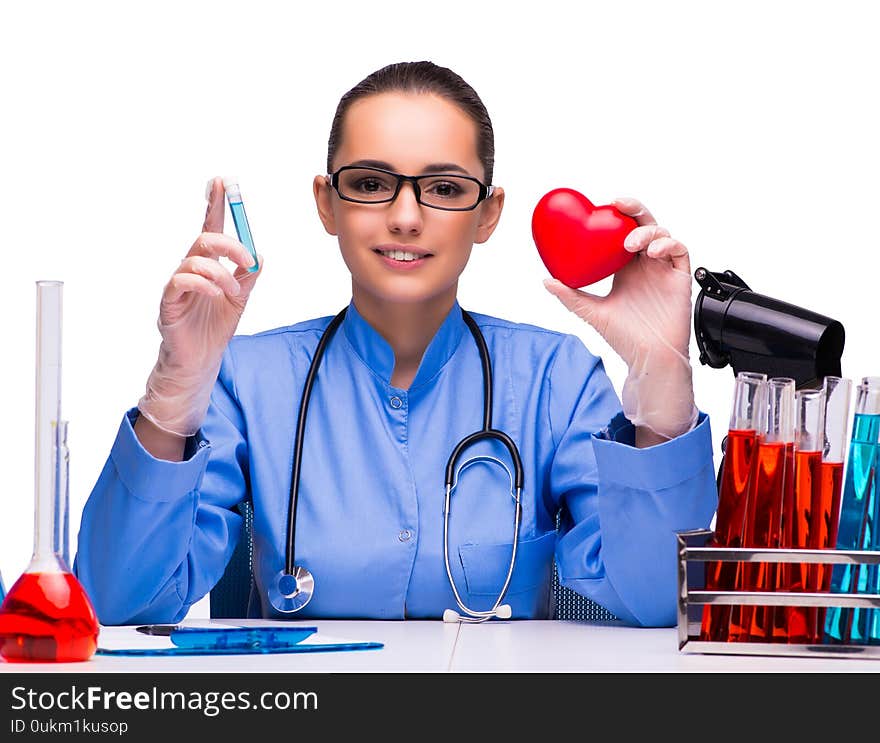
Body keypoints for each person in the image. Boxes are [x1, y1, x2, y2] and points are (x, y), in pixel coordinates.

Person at [73, 60, 717, 627]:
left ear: (487, 214)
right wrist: (176, 385)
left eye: (442, 188)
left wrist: (661, 376)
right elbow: (119, 604)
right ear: (327, 204)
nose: (405, 216)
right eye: (372, 183)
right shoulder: (246, 379)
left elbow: (658, 599)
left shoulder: (555, 376)